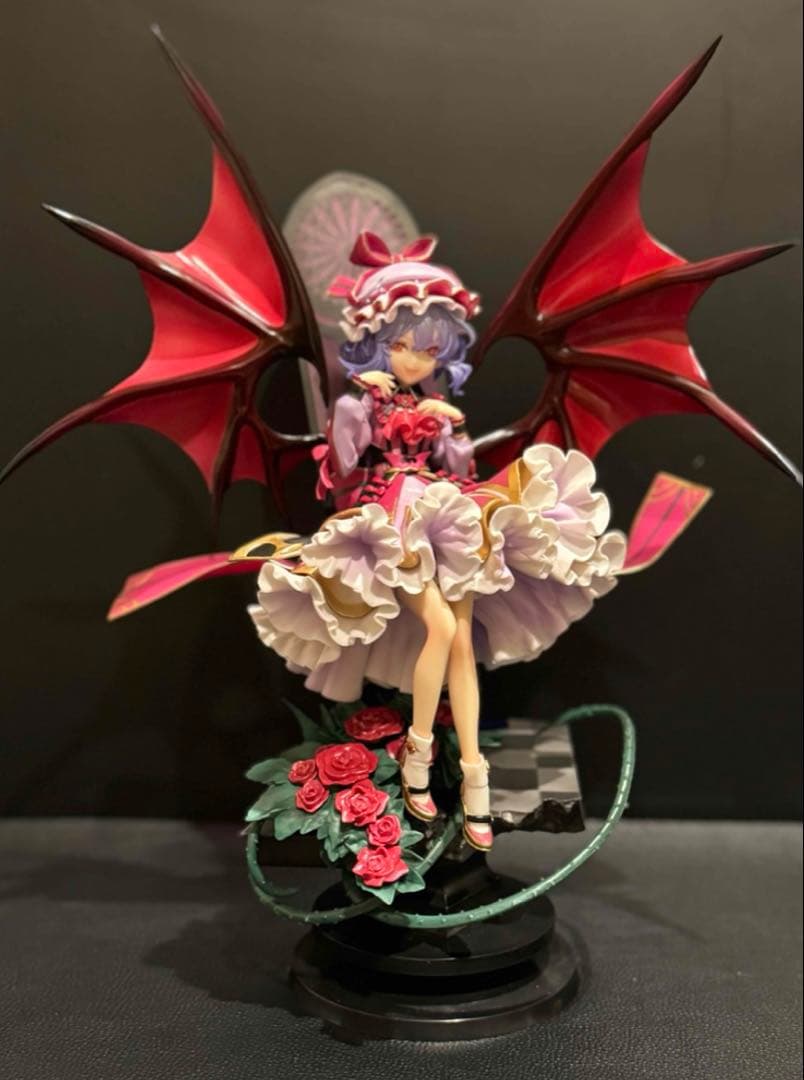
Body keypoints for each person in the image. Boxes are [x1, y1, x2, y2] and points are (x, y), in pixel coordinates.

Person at [249, 231, 626, 849]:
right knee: (444, 629)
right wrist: (356, 414)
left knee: (461, 646)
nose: (415, 361)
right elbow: (342, 471)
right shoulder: (363, 404)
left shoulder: (435, 404)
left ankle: (473, 773)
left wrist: (448, 431)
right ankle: (418, 756)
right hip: (393, 516)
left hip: (447, 514)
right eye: (401, 346)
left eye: (428, 350)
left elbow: (458, 471)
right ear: (375, 341)